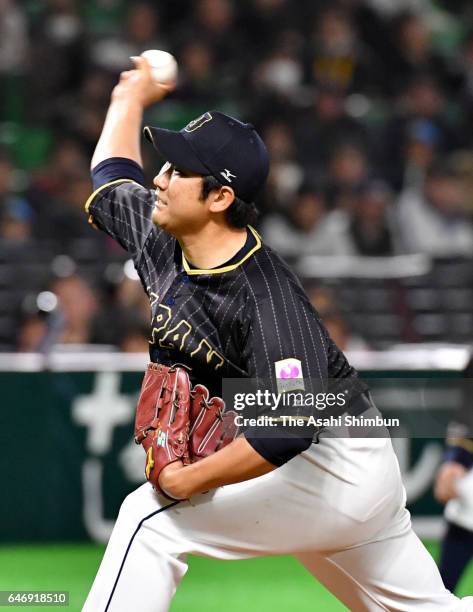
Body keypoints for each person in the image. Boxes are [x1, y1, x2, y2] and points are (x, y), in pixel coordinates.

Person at [82, 56, 473, 611]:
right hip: (322, 465)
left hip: (336, 463)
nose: (160, 179)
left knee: (148, 519)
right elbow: (111, 177)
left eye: (177, 171)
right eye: (164, 165)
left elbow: (289, 429)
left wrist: (186, 481)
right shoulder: (163, 237)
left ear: (220, 198)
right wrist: (130, 98)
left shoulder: (265, 297)